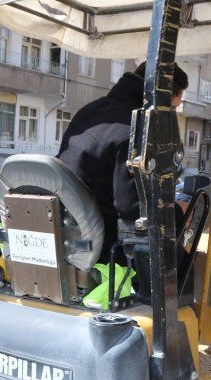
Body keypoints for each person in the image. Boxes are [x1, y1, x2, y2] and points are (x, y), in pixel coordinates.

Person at [57, 61, 188, 262]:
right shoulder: (136, 131)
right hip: (105, 252)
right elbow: (134, 210)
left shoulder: (90, 110)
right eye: (172, 107)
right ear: (163, 98)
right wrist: (178, 212)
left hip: (68, 235)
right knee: (183, 265)